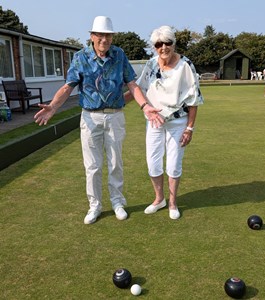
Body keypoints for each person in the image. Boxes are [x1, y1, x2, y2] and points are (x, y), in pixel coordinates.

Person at [34, 16, 163, 224]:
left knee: (115, 163)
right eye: (100, 34)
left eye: (108, 35)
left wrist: (145, 105)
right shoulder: (80, 57)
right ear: (92, 36)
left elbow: (132, 84)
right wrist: (53, 106)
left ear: (112, 37)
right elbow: (69, 86)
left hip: (115, 116)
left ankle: (117, 202)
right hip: (90, 117)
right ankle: (94, 206)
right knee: (92, 166)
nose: (104, 39)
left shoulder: (119, 55)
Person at [125, 26, 203, 219]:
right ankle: (159, 199)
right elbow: (138, 89)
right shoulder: (151, 64)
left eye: (167, 43)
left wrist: (190, 128)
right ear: (154, 47)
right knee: (152, 163)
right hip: (154, 121)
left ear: (173, 43)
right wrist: (115, 104)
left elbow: (193, 99)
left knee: (174, 165)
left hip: (178, 122)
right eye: (158, 44)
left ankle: (173, 203)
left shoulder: (185, 65)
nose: (163, 48)